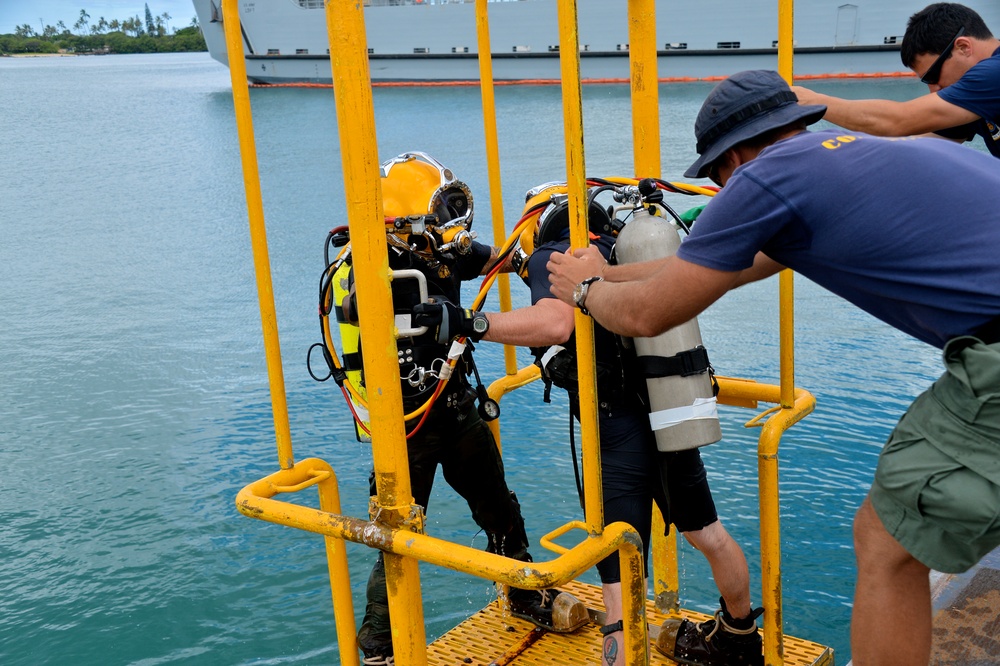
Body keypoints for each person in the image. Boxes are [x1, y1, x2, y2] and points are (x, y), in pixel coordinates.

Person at [544, 69, 1000, 666]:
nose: (723, 189)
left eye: (715, 177)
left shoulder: (766, 176)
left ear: (733, 157)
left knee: (885, 542)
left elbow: (650, 314)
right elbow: (708, 266)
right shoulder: (854, 156)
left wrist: (583, 292)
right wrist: (603, 274)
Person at [416, 187, 764, 666]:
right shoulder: (614, 251)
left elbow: (557, 322)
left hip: (616, 431)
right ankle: (740, 638)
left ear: (538, 223)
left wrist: (469, 322)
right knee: (709, 534)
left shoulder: (550, 258)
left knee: (618, 573)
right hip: (670, 411)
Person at [344, 152, 586, 666]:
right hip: (403, 426)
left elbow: (487, 257)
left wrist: (532, 265)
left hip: (454, 408)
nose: (450, 234)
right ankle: (381, 646)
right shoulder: (370, 273)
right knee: (398, 535)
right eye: (438, 221)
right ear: (404, 222)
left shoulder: (441, 252)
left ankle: (522, 593)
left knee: (498, 506)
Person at [792, 3, 1000, 157]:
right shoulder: (975, 99)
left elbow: (897, 121)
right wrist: (833, 149)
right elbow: (922, 143)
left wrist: (813, 101)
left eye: (933, 76)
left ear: (963, 47)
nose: (934, 90)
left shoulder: (993, 74)